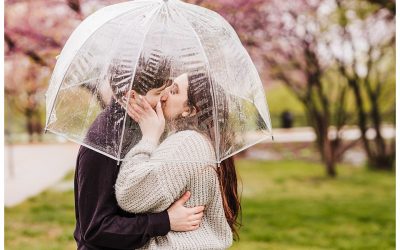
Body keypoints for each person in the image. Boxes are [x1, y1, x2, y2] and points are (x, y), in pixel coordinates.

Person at [74, 54, 206, 250]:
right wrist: (165, 221)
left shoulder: (142, 125)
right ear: (132, 96)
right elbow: (96, 229)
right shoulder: (105, 140)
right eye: (159, 92)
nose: (164, 97)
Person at [115, 72, 241, 249]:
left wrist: (149, 138)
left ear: (189, 110)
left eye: (174, 91)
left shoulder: (187, 143)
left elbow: (129, 194)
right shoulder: (198, 141)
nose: (164, 95)